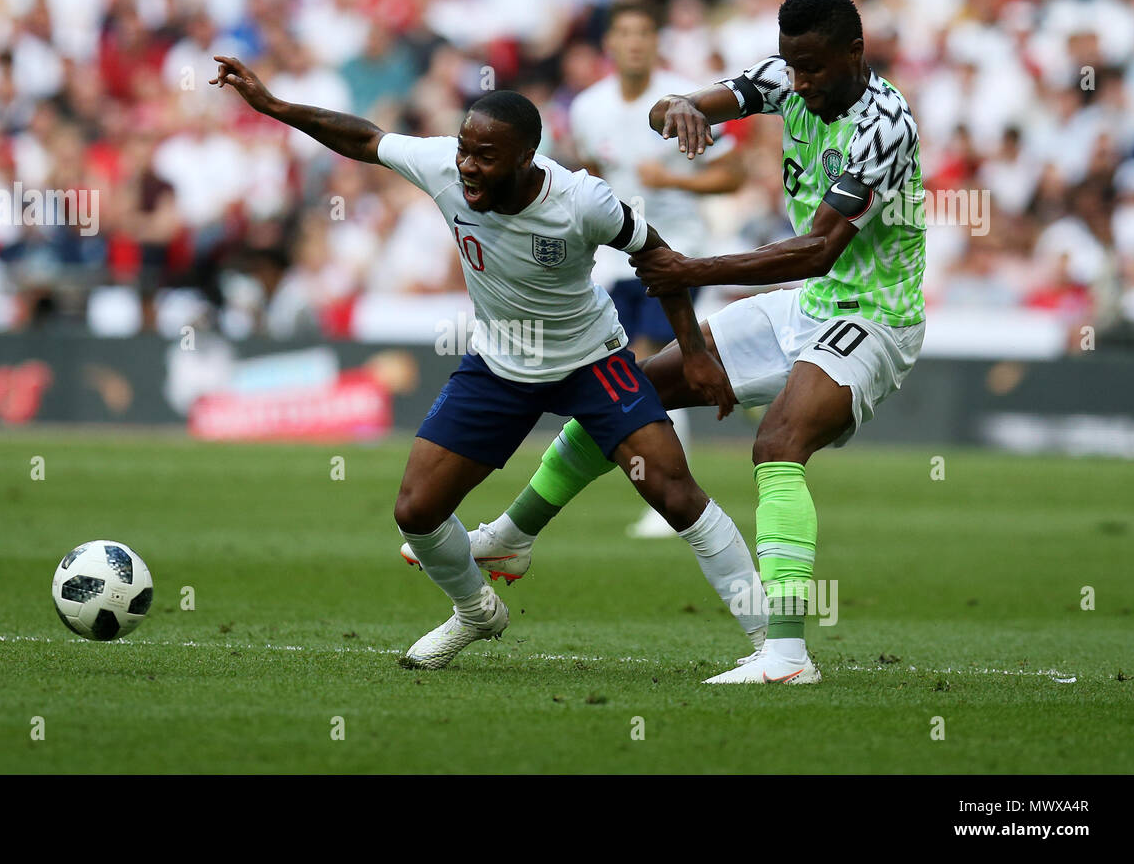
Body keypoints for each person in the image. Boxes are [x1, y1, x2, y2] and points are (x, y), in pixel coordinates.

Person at [211, 55, 767, 670]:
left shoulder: (582, 200)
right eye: (465, 151)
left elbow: (659, 258)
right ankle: (475, 610)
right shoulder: (444, 166)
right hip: (500, 365)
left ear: (528, 156)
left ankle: (773, 646)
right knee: (416, 512)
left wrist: (692, 353)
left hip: (591, 360)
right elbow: (364, 138)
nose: (468, 167)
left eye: (485, 157)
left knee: (674, 491)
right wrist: (276, 106)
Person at [454, 0, 927, 685]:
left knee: (778, 441)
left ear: (855, 53)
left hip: (875, 316)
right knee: (631, 395)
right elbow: (674, 106)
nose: (799, 84)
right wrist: (676, 107)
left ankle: (788, 656)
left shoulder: (886, 125)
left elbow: (818, 248)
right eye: (792, 68)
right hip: (809, 304)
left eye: (814, 70)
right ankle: (514, 536)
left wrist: (690, 268)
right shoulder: (783, 78)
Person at [569, 0, 744, 538]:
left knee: (651, 367)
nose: (635, 42)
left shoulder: (684, 100)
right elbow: (589, 177)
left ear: (655, 41)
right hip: (615, 261)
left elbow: (732, 175)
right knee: (627, 372)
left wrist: (675, 183)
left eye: (644, 32)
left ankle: (673, 500)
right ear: (611, 44)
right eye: (624, 33)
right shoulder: (587, 107)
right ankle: (666, 494)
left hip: (673, 253)